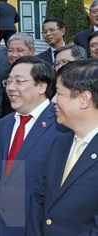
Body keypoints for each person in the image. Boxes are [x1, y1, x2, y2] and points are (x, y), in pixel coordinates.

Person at [0, 56, 67, 236]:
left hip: (38, 226)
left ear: (42, 86)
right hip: (1, 225)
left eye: (19, 82)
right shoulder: (4, 124)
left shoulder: (61, 125)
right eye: (8, 82)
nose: (10, 88)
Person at [27, 58, 98, 236]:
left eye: (59, 93)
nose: (53, 100)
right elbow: (39, 198)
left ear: (84, 99)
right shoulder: (60, 143)